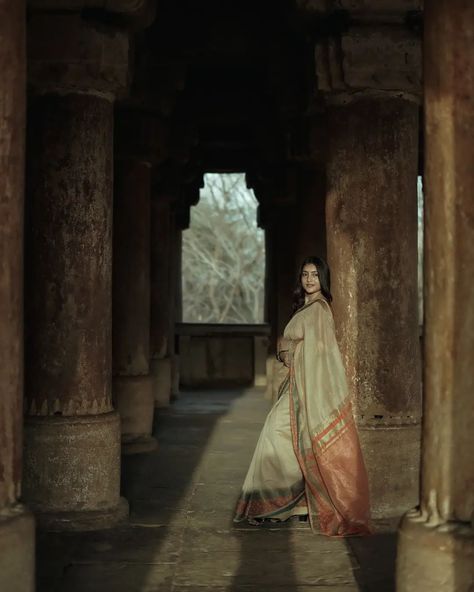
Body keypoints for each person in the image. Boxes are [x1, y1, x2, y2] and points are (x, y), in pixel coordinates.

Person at [233, 256, 371, 536]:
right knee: (286, 439)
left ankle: (274, 505)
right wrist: (288, 349)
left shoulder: (319, 311)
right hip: (295, 386)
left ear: (323, 280)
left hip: (307, 389)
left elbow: (322, 355)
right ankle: (296, 507)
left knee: (276, 434)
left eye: (315, 275)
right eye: (305, 274)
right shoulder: (306, 308)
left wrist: (290, 350)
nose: (309, 280)